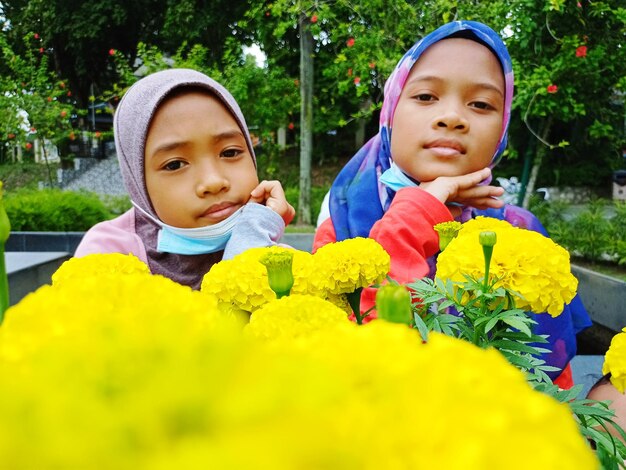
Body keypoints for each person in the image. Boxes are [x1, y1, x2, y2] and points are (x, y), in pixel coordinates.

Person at [313, 21, 591, 388]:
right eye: (426, 97)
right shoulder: (344, 222)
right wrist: (418, 210)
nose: (452, 117)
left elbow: (550, 381)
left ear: (502, 129)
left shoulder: (522, 234)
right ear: (391, 113)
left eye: (480, 104)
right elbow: (349, 361)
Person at [75, 68, 295, 289]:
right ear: (138, 184)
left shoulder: (279, 262)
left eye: (230, 152)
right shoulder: (107, 258)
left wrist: (253, 235)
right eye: (175, 164)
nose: (213, 182)